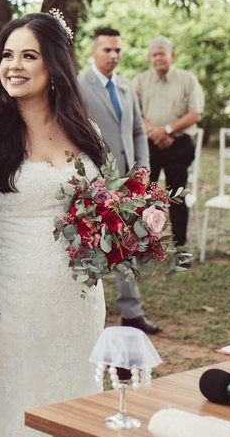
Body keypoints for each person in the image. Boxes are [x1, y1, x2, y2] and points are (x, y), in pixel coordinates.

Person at [0, 12, 110, 437]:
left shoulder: (88, 134)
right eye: (7, 55)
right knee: (10, 409)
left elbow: (101, 211)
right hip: (11, 302)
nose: (13, 65)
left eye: (29, 55)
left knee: (71, 402)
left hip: (79, 300)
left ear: (54, 65)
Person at [76, 27, 161, 335]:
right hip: (96, 182)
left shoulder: (126, 86)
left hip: (130, 182)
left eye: (118, 50)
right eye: (107, 50)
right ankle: (88, 310)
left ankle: (131, 311)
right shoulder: (79, 86)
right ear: (93, 51)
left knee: (130, 242)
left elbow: (138, 131)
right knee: (92, 244)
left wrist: (143, 167)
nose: (114, 56)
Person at [132, 35, 204, 247]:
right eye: (154, 55)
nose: (158, 58)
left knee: (177, 195)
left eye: (162, 54)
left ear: (172, 55)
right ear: (149, 58)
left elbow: (195, 114)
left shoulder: (187, 79)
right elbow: (135, 113)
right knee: (144, 194)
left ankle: (180, 246)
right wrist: (155, 132)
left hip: (178, 144)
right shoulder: (140, 81)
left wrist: (168, 130)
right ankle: (143, 245)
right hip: (150, 144)